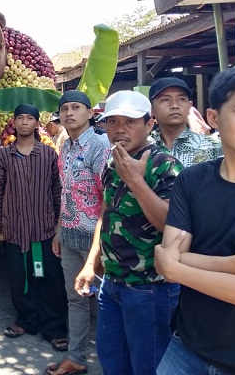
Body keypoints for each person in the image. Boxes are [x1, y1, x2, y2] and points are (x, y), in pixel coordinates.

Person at [154, 65, 235, 375]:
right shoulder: (192, 180)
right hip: (186, 346)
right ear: (213, 118)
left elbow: (171, 262)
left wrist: (177, 267)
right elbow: (168, 254)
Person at [74, 90, 183, 375]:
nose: (119, 129)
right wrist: (90, 263)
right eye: (112, 122)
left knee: (148, 366)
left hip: (149, 287)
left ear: (149, 125)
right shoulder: (114, 161)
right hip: (112, 283)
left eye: (130, 121)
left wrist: (136, 180)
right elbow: (106, 212)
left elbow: (171, 225)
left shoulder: (164, 164)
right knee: (113, 362)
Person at [0, 104, 68, 351]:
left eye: (30, 118)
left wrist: (59, 225)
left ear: (37, 124)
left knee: (49, 279)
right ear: (13, 123)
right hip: (15, 229)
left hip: (43, 229)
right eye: (20, 118)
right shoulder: (4, 155)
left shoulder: (48, 155)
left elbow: (57, 191)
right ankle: (26, 320)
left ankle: (54, 328)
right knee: (19, 279)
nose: (24, 122)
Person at [48, 91, 110, 375]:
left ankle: (113, 364)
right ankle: (77, 358)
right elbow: (66, 194)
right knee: (75, 298)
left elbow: (108, 200)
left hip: (97, 239)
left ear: (90, 113)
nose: (69, 113)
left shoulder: (100, 145)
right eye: (64, 109)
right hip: (70, 234)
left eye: (76, 108)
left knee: (107, 301)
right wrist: (59, 230)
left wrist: (97, 250)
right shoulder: (65, 147)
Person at [149, 77, 222, 166]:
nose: (175, 105)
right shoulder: (144, 147)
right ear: (151, 109)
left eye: (181, 99)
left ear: (189, 106)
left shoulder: (213, 147)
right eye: (165, 99)